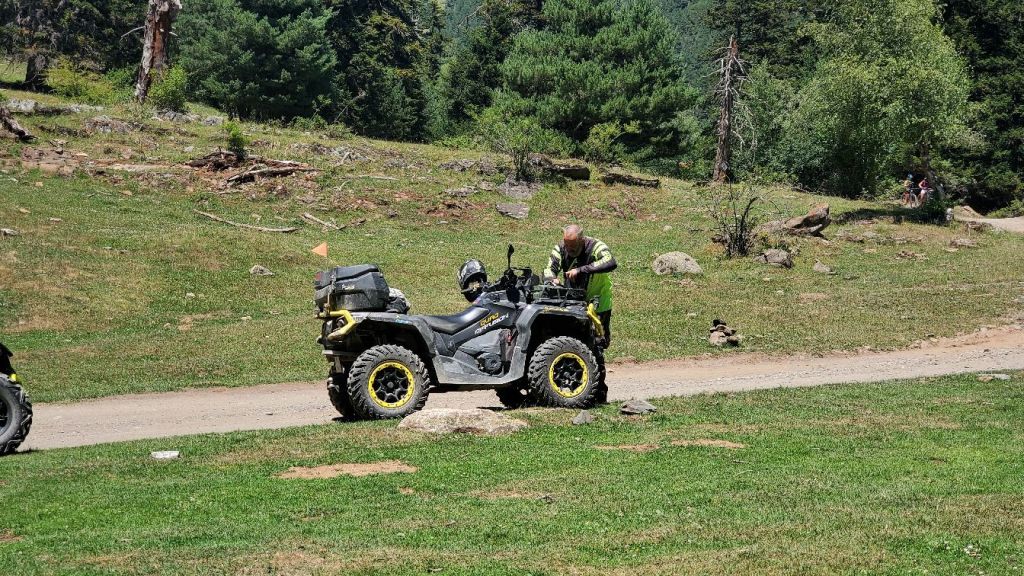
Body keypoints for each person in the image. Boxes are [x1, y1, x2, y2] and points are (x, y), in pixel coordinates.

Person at [543, 225, 617, 347]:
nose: (568, 249)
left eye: (572, 246)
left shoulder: (596, 246)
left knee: (599, 341)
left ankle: (597, 358)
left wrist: (580, 270)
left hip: (598, 299)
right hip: (573, 300)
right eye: (566, 245)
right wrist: (551, 279)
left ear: (582, 240)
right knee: (571, 335)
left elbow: (610, 262)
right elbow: (549, 269)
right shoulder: (560, 248)